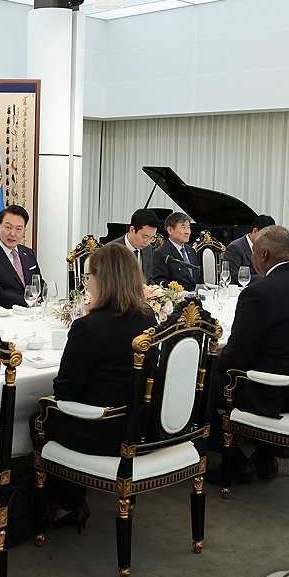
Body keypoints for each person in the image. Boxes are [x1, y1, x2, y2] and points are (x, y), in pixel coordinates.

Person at [38, 244, 156, 529]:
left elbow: (65, 390)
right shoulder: (148, 318)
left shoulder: (90, 327)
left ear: (103, 278)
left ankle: (67, 504)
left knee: (40, 416)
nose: (86, 281)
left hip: (102, 429)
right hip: (141, 425)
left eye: (89, 275)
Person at [216, 226, 289, 481]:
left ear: (263, 254)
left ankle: (235, 462)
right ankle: (264, 457)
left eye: (254, 253)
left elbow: (236, 356)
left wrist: (209, 366)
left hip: (272, 392)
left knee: (204, 383)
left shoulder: (258, 292)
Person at [0, 205, 42, 308]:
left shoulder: (28, 253)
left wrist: (40, 300)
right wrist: (25, 301)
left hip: (30, 315)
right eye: (8, 227)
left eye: (18, 229)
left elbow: (39, 283)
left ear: (24, 231)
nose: (13, 233)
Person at [153, 212, 199, 290]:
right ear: (170, 230)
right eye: (183, 227)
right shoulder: (161, 253)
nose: (188, 232)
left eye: (188, 227)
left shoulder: (191, 250)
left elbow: (197, 278)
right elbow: (160, 284)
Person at [111, 208, 160, 282]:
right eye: (144, 237)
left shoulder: (148, 249)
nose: (147, 242)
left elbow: (148, 279)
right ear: (132, 230)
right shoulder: (111, 250)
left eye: (152, 238)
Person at [224, 214, 275, 285]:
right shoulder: (235, 248)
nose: (268, 241)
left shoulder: (266, 248)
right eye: (265, 236)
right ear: (255, 231)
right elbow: (233, 277)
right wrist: (265, 277)